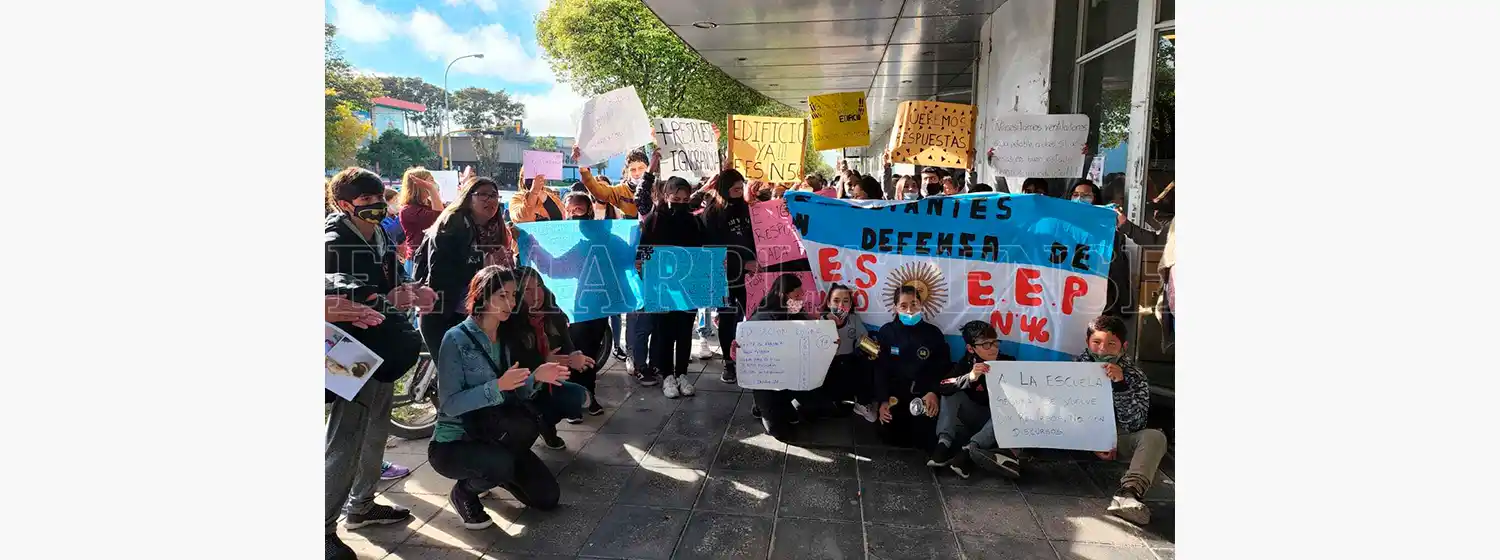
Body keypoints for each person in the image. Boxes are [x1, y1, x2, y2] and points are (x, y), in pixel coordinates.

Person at [324, 168, 431, 560]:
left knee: (377, 427)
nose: (375, 207)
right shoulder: (332, 240)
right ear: (343, 204)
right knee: (345, 436)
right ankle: (321, 528)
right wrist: (380, 298)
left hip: (382, 347)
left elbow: (388, 281)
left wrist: (406, 291)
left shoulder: (382, 233)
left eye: (379, 200)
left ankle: (363, 505)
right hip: (346, 353)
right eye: (365, 202)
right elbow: (335, 288)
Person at [428, 266, 577, 531]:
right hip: (456, 442)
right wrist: (496, 386)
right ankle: (464, 493)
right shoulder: (456, 339)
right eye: (502, 296)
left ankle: (496, 472)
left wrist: (536, 377)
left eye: (513, 295)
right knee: (499, 465)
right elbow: (449, 404)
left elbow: (518, 392)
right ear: (482, 297)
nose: (510, 303)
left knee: (547, 498)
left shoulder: (508, 336)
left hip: (500, 434)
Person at [1075, 314, 1167, 525]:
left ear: (1123, 346)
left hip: (1116, 441)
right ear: (1087, 343)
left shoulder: (1135, 375)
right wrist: (1091, 442)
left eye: (1111, 344)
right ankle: (1008, 455)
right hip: (1076, 439)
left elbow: (1135, 423)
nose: (1102, 349)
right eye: (1096, 342)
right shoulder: (1068, 371)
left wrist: (1121, 385)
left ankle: (1129, 494)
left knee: (1155, 437)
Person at [412, 176, 514, 363]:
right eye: (483, 195)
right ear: (468, 197)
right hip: (443, 313)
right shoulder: (452, 224)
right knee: (454, 377)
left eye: (494, 196)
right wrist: (485, 264)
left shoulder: (493, 228)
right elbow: (441, 273)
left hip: (470, 314)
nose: (490, 200)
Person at [637, 177, 705, 397]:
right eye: (676, 198)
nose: (680, 203)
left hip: (687, 286)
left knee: (685, 331)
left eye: (685, 199)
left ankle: (682, 373)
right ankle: (667, 375)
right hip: (662, 286)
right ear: (666, 196)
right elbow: (643, 250)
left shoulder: (694, 222)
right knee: (664, 332)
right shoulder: (653, 221)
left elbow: (702, 251)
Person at [932, 321, 1020, 480]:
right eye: (986, 345)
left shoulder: (1008, 362)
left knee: (1008, 407)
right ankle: (944, 443)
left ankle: (969, 450)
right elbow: (943, 385)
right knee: (952, 391)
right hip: (971, 416)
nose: (993, 348)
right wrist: (969, 378)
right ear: (971, 348)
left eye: (995, 342)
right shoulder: (966, 363)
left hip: (994, 423)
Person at [514, 265, 596, 431]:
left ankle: (546, 424)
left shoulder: (553, 311)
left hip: (549, 378)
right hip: (522, 385)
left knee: (581, 397)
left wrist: (575, 356)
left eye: (538, 286)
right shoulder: (512, 322)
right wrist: (543, 360)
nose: (536, 295)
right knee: (529, 416)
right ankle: (538, 426)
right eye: (527, 290)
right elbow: (514, 363)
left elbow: (567, 342)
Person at [733, 273, 815, 439]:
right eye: (797, 295)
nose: (801, 298)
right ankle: (762, 405)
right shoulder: (762, 317)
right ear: (783, 295)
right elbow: (747, 344)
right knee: (779, 431)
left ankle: (777, 404)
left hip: (787, 375)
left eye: (802, 294)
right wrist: (737, 348)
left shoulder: (797, 312)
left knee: (805, 412)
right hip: (766, 379)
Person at [872, 285, 951, 450]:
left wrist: (934, 392)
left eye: (914, 304)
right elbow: (881, 369)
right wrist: (883, 401)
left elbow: (943, 367)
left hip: (924, 393)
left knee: (924, 439)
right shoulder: (887, 332)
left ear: (921, 305)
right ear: (895, 307)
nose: (909, 310)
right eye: (903, 305)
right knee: (888, 434)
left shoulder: (933, 333)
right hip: (896, 392)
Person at [699, 169, 759, 383]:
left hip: (752, 275)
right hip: (725, 276)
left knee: (754, 316)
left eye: (741, 188)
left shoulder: (749, 208)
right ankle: (729, 361)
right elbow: (712, 249)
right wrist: (743, 264)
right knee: (727, 318)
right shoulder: (712, 214)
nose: (739, 192)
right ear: (724, 189)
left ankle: (753, 357)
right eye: (735, 189)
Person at [819, 283, 874, 420]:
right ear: (828, 302)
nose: (840, 305)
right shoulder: (821, 322)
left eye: (845, 301)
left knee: (867, 361)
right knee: (839, 407)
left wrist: (871, 347)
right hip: (829, 367)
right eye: (836, 301)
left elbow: (864, 340)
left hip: (850, 362)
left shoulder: (853, 319)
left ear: (850, 304)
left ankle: (862, 402)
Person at [573, 145, 655, 218]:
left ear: (648, 168)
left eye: (641, 168)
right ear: (627, 171)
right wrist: (582, 165)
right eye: (633, 170)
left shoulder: (657, 188)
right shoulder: (620, 191)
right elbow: (597, 191)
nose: (637, 173)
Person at [397, 167, 445, 269]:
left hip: (435, 258)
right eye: (430, 181)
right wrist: (432, 190)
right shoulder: (408, 210)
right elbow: (438, 218)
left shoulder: (431, 204)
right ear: (419, 185)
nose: (434, 183)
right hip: (418, 261)